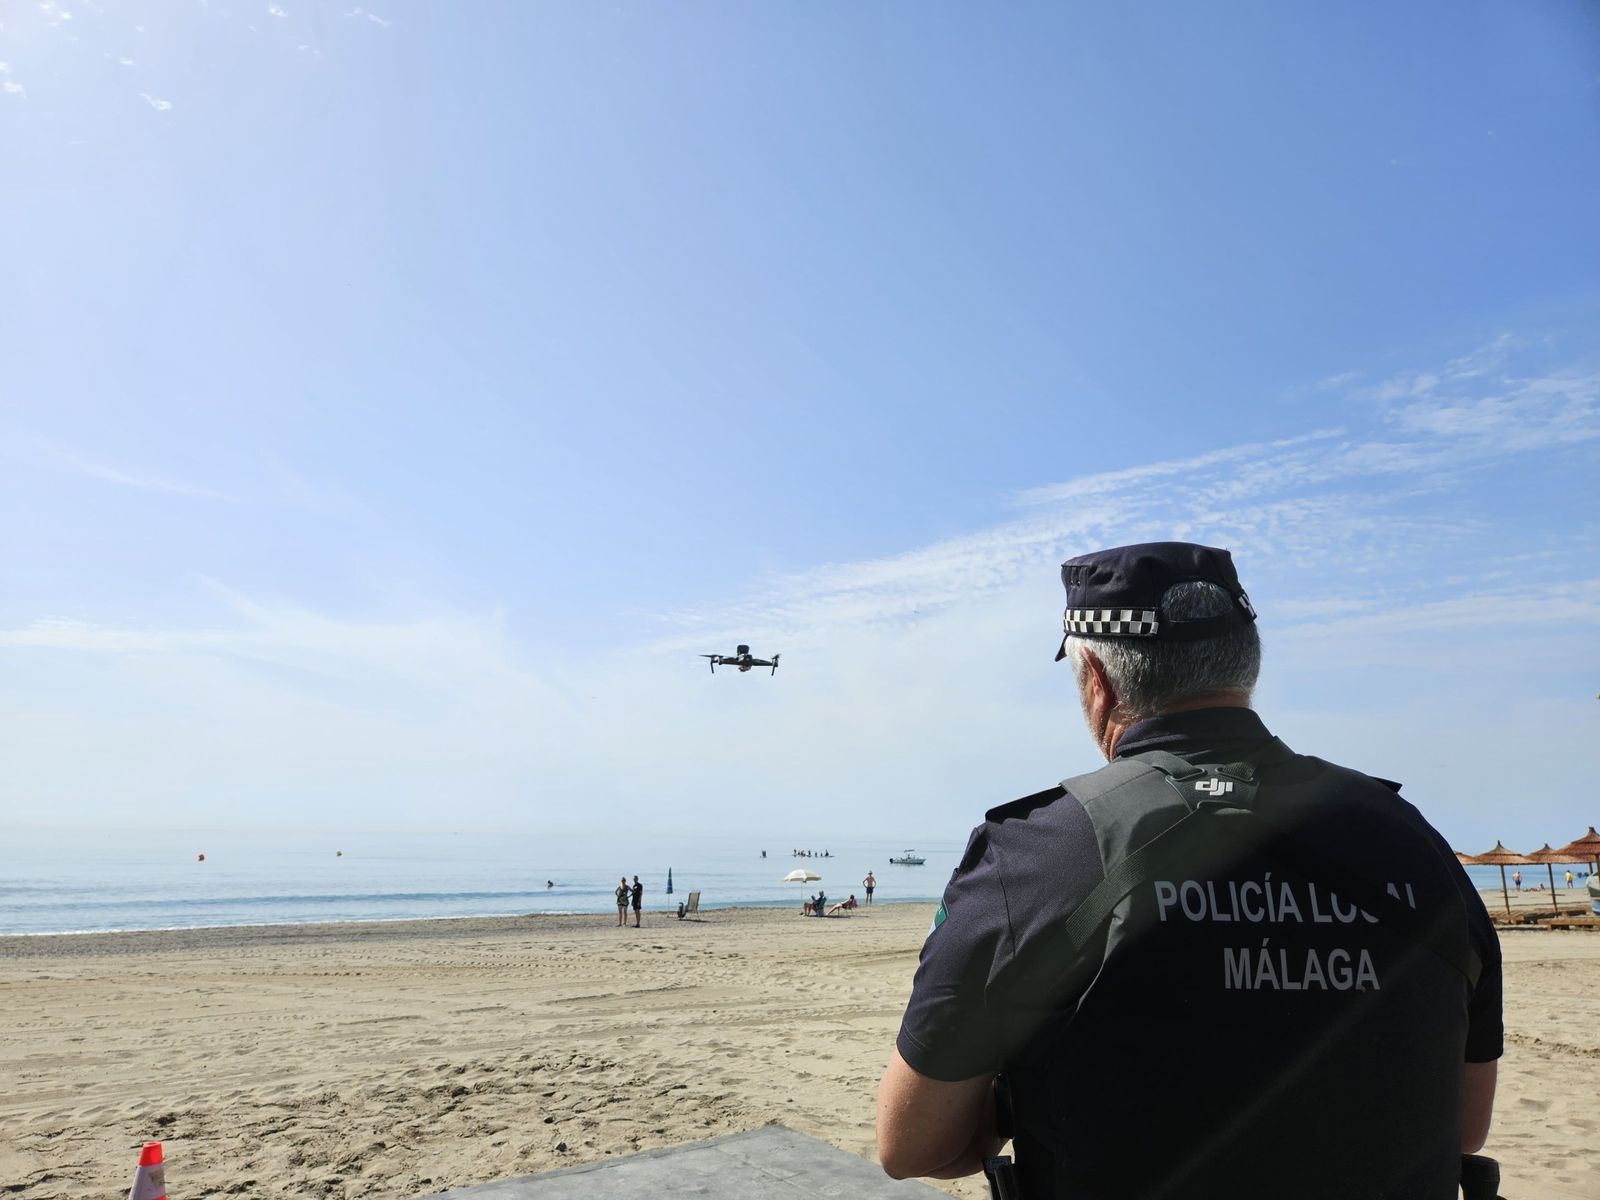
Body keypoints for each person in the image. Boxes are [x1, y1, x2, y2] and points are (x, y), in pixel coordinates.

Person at [876, 542, 1502, 1199]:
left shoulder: (1032, 856)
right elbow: (1464, 1128)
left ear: (1097, 679)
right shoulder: (1415, 842)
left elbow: (913, 1145)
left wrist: (1014, 1102)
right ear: (1247, 665)